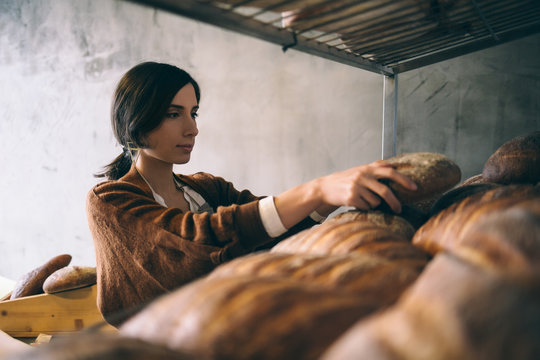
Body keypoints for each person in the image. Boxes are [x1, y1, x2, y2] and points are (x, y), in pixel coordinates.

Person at [86, 61, 416, 326]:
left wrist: (330, 197)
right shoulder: (110, 201)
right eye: (174, 114)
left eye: (193, 112)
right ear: (136, 121)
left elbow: (273, 230)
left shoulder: (206, 189)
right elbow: (199, 241)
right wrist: (317, 189)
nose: (193, 128)